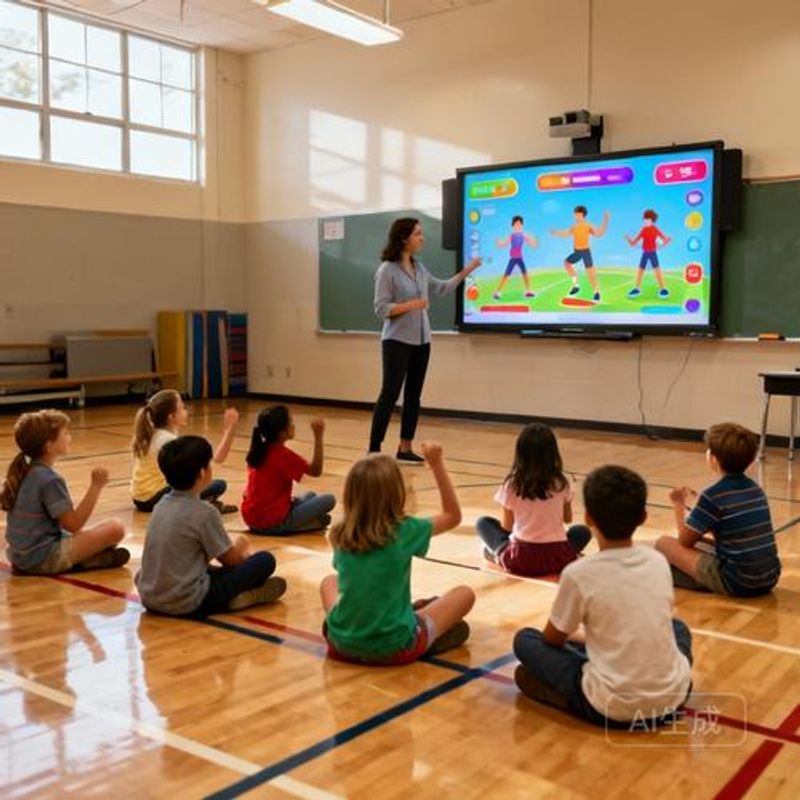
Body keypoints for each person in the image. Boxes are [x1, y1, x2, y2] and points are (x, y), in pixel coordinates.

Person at [514, 465, 693, 728]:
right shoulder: (657, 561)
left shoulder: (578, 573)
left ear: (588, 518)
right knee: (678, 629)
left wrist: (582, 639)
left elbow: (553, 638)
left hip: (611, 707)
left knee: (525, 640)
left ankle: (569, 695)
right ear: (643, 516)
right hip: (674, 696)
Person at [320, 442, 475, 664]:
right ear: (396, 492)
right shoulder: (405, 530)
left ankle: (393, 619)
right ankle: (421, 630)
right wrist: (437, 464)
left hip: (340, 644)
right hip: (394, 647)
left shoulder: (340, 533)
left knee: (329, 581)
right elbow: (452, 516)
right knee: (465, 594)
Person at [369, 217, 481, 462]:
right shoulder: (387, 270)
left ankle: (405, 448)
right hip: (397, 341)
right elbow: (380, 309)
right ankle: (374, 449)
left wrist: (467, 270)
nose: (422, 237)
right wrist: (412, 304)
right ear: (403, 238)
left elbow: (441, 288)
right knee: (389, 394)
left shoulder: (419, 268)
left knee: (413, 396)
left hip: (422, 342)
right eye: (418, 234)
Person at [135, 435, 286, 615]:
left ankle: (239, 593)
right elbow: (231, 561)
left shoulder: (160, 505)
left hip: (149, 598)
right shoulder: (204, 512)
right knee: (264, 561)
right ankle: (242, 597)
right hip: (187, 602)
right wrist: (243, 551)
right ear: (202, 473)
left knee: (219, 569)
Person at [655, 422, 781, 597]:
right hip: (770, 577)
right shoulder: (756, 489)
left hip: (739, 581)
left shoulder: (713, 495)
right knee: (701, 543)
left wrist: (679, 504)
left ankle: (698, 580)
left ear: (713, 459)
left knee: (663, 543)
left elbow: (683, 541)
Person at [1, 409, 128, 574]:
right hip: (41, 559)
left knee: (89, 534)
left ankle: (92, 559)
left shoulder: (25, 470)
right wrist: (95, 487)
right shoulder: (49, 480)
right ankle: (85, 560)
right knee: (116, 529)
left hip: (19, 557)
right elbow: (74, 525)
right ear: (49, 445)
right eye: (66, 433)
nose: (70, 437)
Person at [476, 422, 591, 576]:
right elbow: (567, 519)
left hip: (520, 559)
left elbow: (507, 526)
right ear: (553, 453)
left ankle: (498, 556)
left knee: (483, 523)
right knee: (582, 531)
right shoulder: (562, 482)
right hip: (557, 558)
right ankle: (570, 556)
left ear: (521, 453)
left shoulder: (512, 484)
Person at [131, 389, 238, 513]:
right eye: (182, 408)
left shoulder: (152, 434)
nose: (186, 411)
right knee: (218, 485)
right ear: (172, 417)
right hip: (155, 498)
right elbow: (217, 459)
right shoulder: (167, 440)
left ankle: (200, 504)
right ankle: (201, 506)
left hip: (140, 499)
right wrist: (230, 430)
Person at [241, 405, 336, 535]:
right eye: (290, 422)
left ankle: (306, 522)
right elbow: (316, 471)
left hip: (251, 519)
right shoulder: (283, 455)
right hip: (273, 522)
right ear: (281, 432)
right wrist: (318, 436)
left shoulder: (258, 450)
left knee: (310, 495)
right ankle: (297, 526)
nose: (293, 425)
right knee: (329, 499)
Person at [550, 205, 610, 302]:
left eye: (578, 214)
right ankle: (576, 285)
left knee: (590, 273)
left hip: (585, 251)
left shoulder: (588, 225)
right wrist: (556, 233)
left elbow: (599, 233)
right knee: (566, 263)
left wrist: (605, 220)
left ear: (583, 215)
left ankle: (596, 292)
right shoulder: (574, 227)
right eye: (575, 214)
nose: (576, 216)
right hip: (577, 252)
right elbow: (565, 233)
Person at [625, 209, 672, 298]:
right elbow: (633, 243)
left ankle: (663, 289)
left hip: (653, 253)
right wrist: (628, 239)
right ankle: (637, 288)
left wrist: (666, 241)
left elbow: (665, 239)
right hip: (645, 253)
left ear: (651, 220)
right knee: (640, 270)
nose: (645, 221)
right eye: (644, 219)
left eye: (647, 220)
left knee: (657, 270)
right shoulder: (643, 230)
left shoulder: (655, 229)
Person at [492, 215, 538, 300]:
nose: (518, 226)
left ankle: (528, 291)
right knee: (506, 275)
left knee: (525, 274)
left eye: (520, 224)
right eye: (516, 224)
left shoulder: (523, 235)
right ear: (513, 225)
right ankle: (498, 292)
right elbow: (504, 243)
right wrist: (498, 243)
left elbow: (532, 244)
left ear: (522, 225)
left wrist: (534, 242)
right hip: (513, 259)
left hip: (520, 258)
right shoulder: (511, 235)